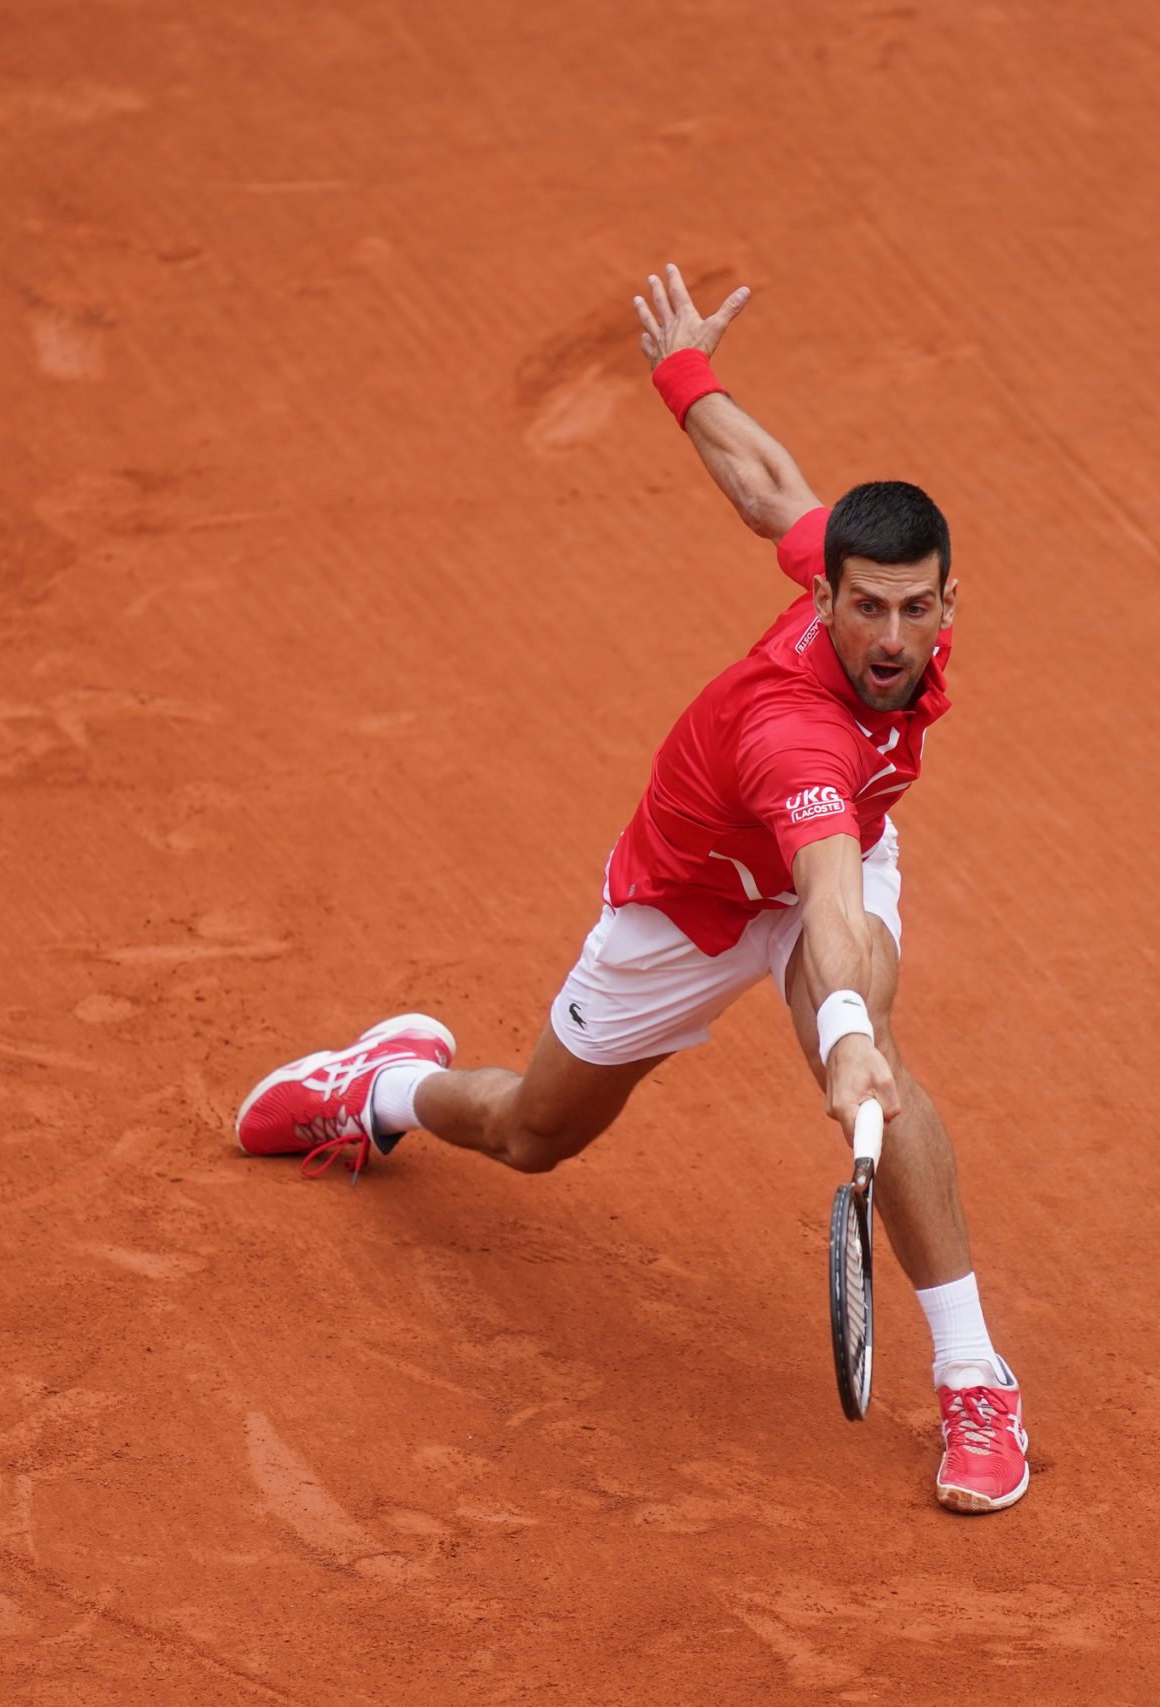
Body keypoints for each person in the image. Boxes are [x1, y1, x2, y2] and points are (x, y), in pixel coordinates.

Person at [236, 265, 1028, 1514]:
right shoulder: (793, 731)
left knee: (878, 1047)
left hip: (835, 852)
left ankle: (978, 1380)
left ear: (944, 603)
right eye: (864, 609)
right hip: (697, 899)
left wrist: (682, 373)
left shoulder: (881, 593)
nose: (888, 637)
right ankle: (379, 1085)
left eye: (914, 610)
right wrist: (841, 1030)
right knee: (532, 1134)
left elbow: (769, 487)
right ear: (820, 603)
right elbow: (817, 879)